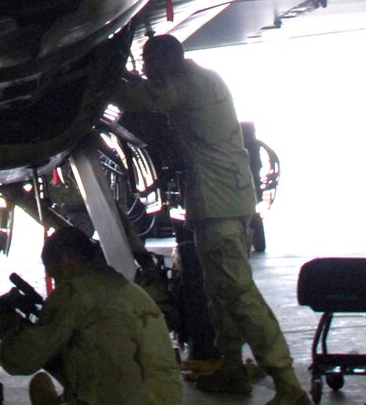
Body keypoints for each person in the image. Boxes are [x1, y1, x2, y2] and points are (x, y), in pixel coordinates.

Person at [112, 34, 308, 405]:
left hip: (219, 205)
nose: (147, 72)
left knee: (238, 294)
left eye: (149, 65)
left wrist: (106, 74)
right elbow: (151, 90)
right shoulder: (200, 77)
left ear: (166, 62)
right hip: (221, 200)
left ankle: (288, 384)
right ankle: (232, 368)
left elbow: (143, 98)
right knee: (220, 293)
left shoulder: (186, 86)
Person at [0, 226, 183, 405]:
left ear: (67, 262)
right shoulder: (128, 289)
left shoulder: (73, 294)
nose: (57, 282)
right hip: (164, 398)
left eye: (55, 275)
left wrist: (9, 325)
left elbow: (19, 361)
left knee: (40, 387)